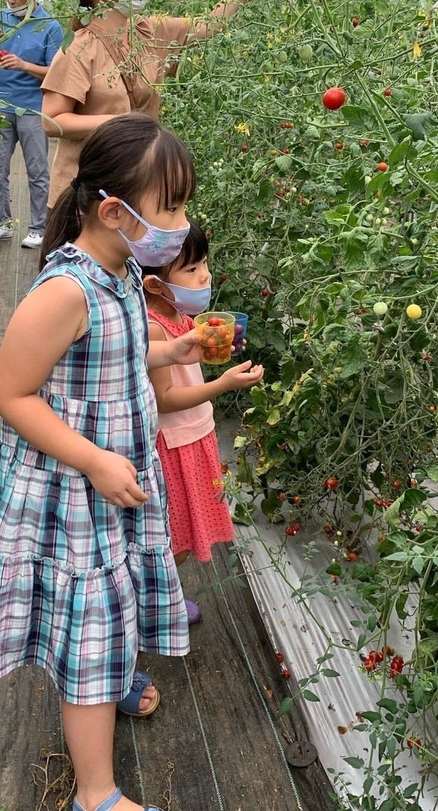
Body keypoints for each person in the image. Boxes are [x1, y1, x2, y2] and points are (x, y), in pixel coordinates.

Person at [0, 113, 203, 811]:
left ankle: (114, 667)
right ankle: (96, 796)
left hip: (111, 480)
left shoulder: (124, 270)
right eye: (173, 208)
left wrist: (170, 352)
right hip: (71, 490)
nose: (183, 223)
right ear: (113, 211)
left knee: (109, 607)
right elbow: (10, 394)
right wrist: (95, 459)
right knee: (89, 637)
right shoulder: (64, 291)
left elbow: (114, 359)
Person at [41, 0, 285, 207]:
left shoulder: (149, 32)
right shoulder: (78, 49)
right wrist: (119, 123)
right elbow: (51, 120)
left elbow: (209, 25)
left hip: (133, 186)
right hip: (84, 198)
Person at [142, 223, 264, 623]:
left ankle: (159, 596)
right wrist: (222, 385)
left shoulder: (179, 313)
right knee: (171, 536)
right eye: (192, 269)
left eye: (205, 264)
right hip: (173, 443)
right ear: (156, 284)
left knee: (180, 532)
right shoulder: (154, 326)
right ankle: (151, 606)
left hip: (194, 436)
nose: (205, 276)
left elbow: (188, 363)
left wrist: (217, 349)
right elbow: (165, 399)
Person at [0, 0, 64, 246]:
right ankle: (0, 223)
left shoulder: (50, 26)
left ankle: (38, 229)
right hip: (0, 103)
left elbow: (56, 72)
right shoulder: (1, 17)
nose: (11, 0)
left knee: (37, 170)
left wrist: (24, 65)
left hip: (33, 107)